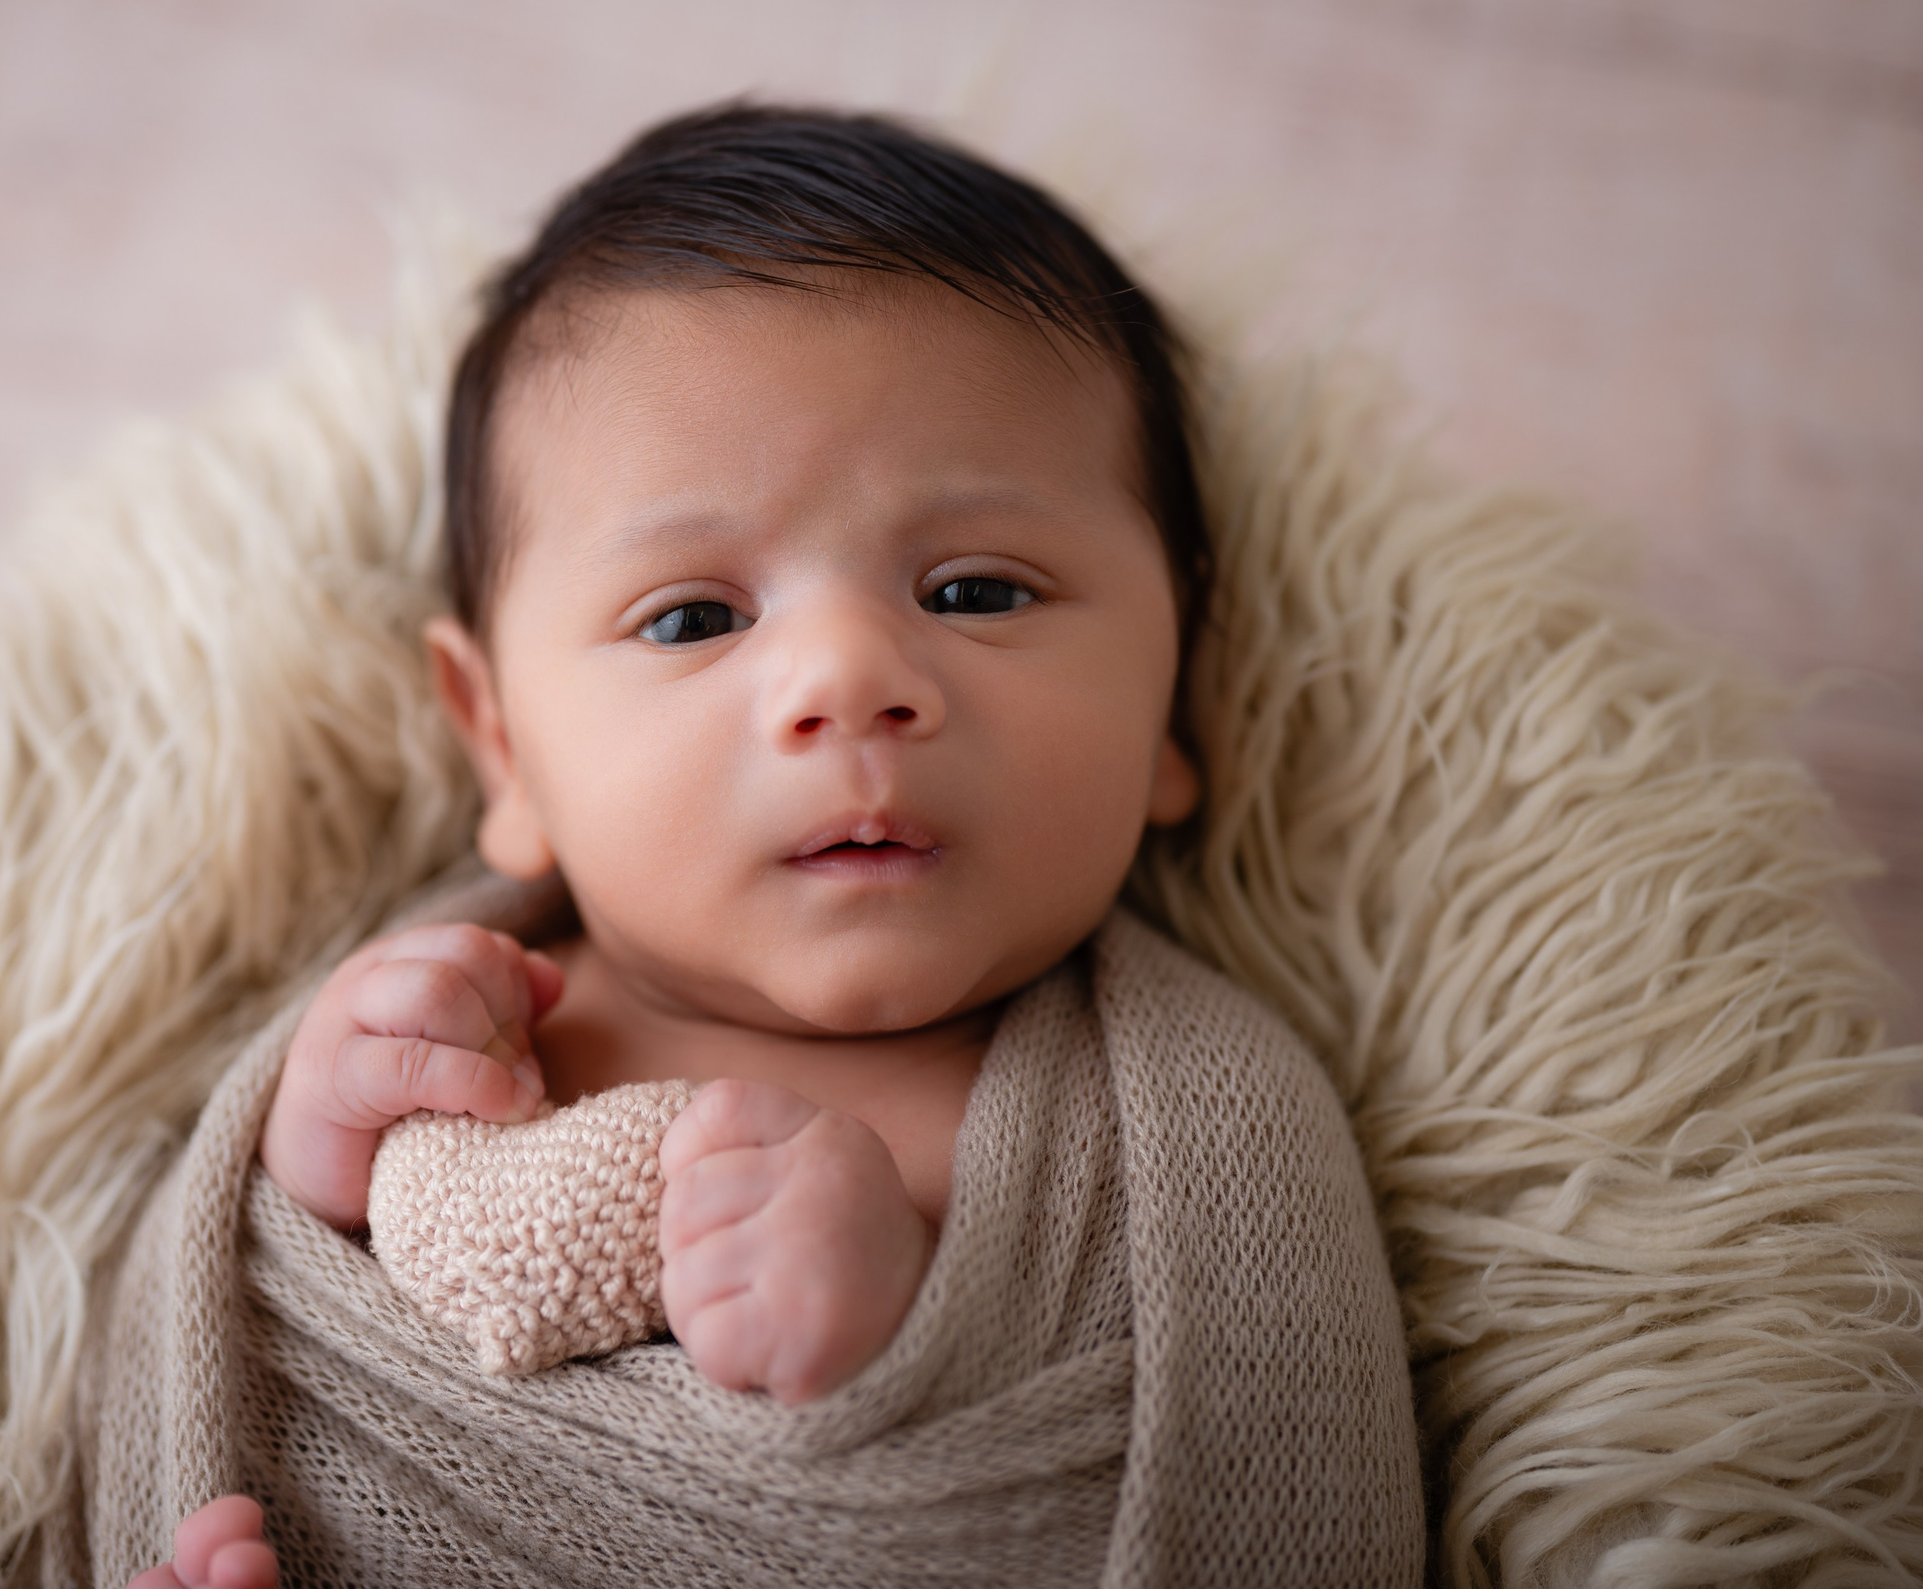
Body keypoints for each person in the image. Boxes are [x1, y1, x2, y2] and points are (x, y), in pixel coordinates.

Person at [122, 103, 1418, 1589]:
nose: (846, 678)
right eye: (693, 619)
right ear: (502, 745)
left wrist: (895, 1366)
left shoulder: (1208, 1143)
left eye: (979, 591)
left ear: (1179, 692)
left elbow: (1279, 1505)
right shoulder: (451, 1017)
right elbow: (245, 1327)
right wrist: (320, 1162)